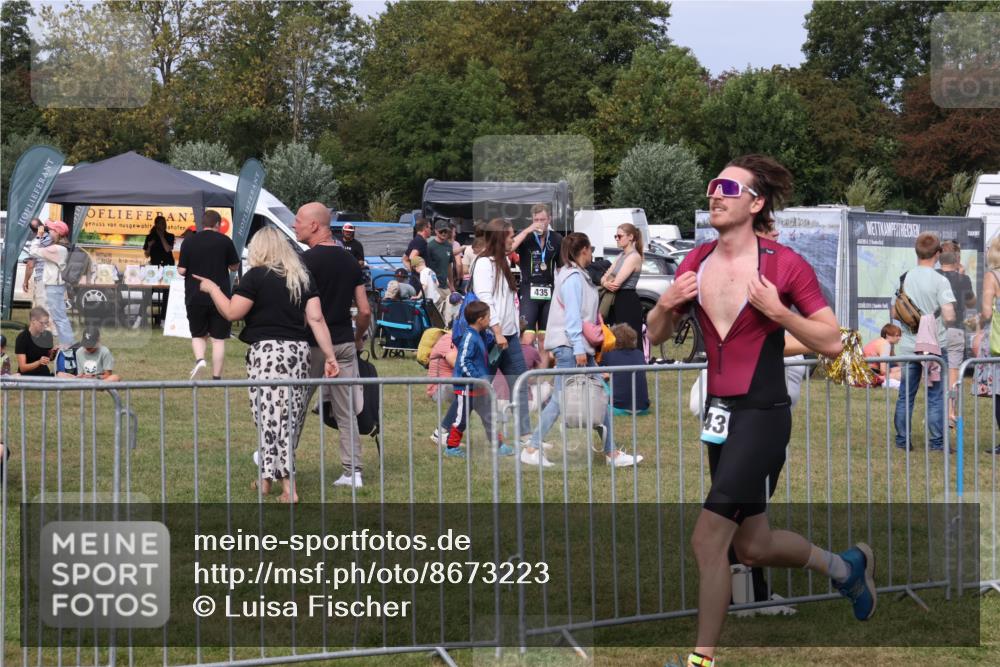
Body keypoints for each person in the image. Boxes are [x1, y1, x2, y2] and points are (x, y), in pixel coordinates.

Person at [648, 155, 872, 667]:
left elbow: (834, 342)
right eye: (712, 186)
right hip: (719, 415)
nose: (715, 194)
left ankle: (700, 662)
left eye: (728, 187)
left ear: (755, 202)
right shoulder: (694, 261)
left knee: (708, 540)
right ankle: (845, 569)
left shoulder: (783, 264)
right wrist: (664, 306)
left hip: (764, 413)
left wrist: (780, 313)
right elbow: (656, 335)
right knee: (752, 545)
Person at [193, 226, 340, 504]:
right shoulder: (301, 277)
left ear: (259, 249)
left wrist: (212, 288)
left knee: (270, 418)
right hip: (297, 353)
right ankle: (265, 480)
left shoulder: (256, 277)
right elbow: (317, 319)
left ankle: (289, 488)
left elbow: (232, 312)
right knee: (285, 417)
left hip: (268, 355)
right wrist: (330, 356)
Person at [526, 232, 642, 467]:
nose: (592, 254)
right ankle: (532, 447)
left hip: (577, 347)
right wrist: (579, 348)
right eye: (590, 249)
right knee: (562, 400)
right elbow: (572, 318)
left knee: (600, 394)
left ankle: (611, 453)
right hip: (572, 347)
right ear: (583, 251)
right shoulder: (572, 279)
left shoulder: (577, 276)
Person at [294, 202, 371, 489]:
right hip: (343, 343)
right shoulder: (350, 261)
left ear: (315, 225)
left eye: (298, 220)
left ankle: (279, 461)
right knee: (346, 410)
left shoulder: (303, 262)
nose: (294, 225)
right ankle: (353, 471)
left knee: (295, 406)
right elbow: (364, 310)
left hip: (310, 344)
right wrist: (358, 337)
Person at [472, 219, 533, 451]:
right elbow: (485, 299)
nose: (512, 239)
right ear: (499, 238)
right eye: (509, 236)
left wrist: (513, 329)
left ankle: (525, 434)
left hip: (510, 336)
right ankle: (446, 429)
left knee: (520, 383)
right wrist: (497, 331)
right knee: (477, 386)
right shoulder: (484, 264)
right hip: (492, 337)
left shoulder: (503, 261)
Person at [892, 232, 956, 451]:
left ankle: (902, 441)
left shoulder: (905, 277)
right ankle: (937, 442)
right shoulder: (941, 280)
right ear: (937, 253)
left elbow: (895, 311)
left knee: (905, 395)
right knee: (936, 396)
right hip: (934, 347)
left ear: (916, 251)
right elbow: (948, 315)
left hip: (909, 345)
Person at [177, 210, 240, 380]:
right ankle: (217, 377)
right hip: (220, 297)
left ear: (202, 224)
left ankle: (200, 360)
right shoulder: (225, 241)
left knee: (198, 335)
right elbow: (234, 266)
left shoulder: (189, 241)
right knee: (218, 340)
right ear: (218, 224)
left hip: (195, 295)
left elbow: (181, 270)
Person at [443, 301, 505, 459]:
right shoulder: (469, 337)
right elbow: (464, 361)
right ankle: (451, 447)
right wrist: (477, 378)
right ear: (480, 320)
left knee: (489, 416)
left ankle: (498, 445)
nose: (490, 320)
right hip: (467, 388)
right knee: (461, 419)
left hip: (479, 387)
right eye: (488, 317)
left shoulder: (481, 335)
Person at [511, 204, 564, 368]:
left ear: (549, 219)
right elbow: (509, 249)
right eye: (536, 220)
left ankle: (541, 377)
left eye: (542, 219)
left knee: (544, 339)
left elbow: (561, 268)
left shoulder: (556, 239)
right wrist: (527, 230)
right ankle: (525, 376)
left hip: (549, 291)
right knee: (527, 338)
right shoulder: (526, 237)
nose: (539, 223)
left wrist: (562, 293)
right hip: (528, 290)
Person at [937, 249, 975, 422]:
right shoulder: (963, 279)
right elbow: (971, 301)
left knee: (933, 372)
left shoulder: (933, 276)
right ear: (956, 261)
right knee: (953, 372)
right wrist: (963, 276)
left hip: (935, 329)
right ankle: (950, 411)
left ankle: (936, 412)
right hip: (956, 329)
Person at [27, 220, 74, 348]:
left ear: (58, 232)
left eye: (52, 230)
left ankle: (67, 345)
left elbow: (33, 251)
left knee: (59, 317)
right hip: (56, 285)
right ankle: (66, 343)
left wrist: (38, 236)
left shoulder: (56, 248)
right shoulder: (62, 247)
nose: (50, 232)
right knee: (59, 316)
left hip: (54, 286)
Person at [601, 223, 644, 349]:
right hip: (616, 301)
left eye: (620, 236)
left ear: (630, 237)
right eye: (616, 236)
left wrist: (606, 282)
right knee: (616, 338)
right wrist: (605, 282)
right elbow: (605, 276)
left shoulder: (634, 257)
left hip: (628, 301)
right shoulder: (620, 256)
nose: (617, 239)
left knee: (630, 339)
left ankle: (635, 366)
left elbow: (616, 284)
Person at [976, 235, 1000, 454]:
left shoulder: (992, 276)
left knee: (999, 393)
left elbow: (986, 312)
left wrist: (976, 324)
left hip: (997, 340)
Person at [601, 323, 650, 415]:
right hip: (643, 409)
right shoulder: (640, 354)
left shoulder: (609, 355)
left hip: (618, 408)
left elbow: (599, 369)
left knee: (597, 378)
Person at [14, 308, 55, 376]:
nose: (45, 326)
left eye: (46, 323)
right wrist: (39, 362)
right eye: (42, 323)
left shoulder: (48, 335)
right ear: (33, 321)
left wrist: (53, 353)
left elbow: (49, 358)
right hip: (27, 376)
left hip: (44, 374)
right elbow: (22, 368)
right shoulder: (22, 338)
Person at [22, 218, 50, 314]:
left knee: (41, 308)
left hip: (42, 278)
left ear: (32, 231)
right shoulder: (53, 238)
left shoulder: (36, 243)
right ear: (42, 226)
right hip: (55, 278)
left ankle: (44, 328)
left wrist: (25, 281)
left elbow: (30, 264)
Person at [863, 324, 903, 388]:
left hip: (868, 371)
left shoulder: (881, 341)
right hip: (871, 374)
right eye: (897, 335)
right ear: (887, 335)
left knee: (904, 370)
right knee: (905, 374)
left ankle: (879, 380)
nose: (899, 338)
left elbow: (895, 360)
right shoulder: (885, 344)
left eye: (900, 336)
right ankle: (878, 380)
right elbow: (883, 370)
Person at [426, 220, 455, 292]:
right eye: (441, 231)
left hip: (445, 286)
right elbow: (426, 268)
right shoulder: (430, 246)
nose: (444, 233)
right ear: (435, 231)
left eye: (446, 231)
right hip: (433, 286)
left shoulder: (449, 246)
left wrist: (451, 285)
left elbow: (449, 266)